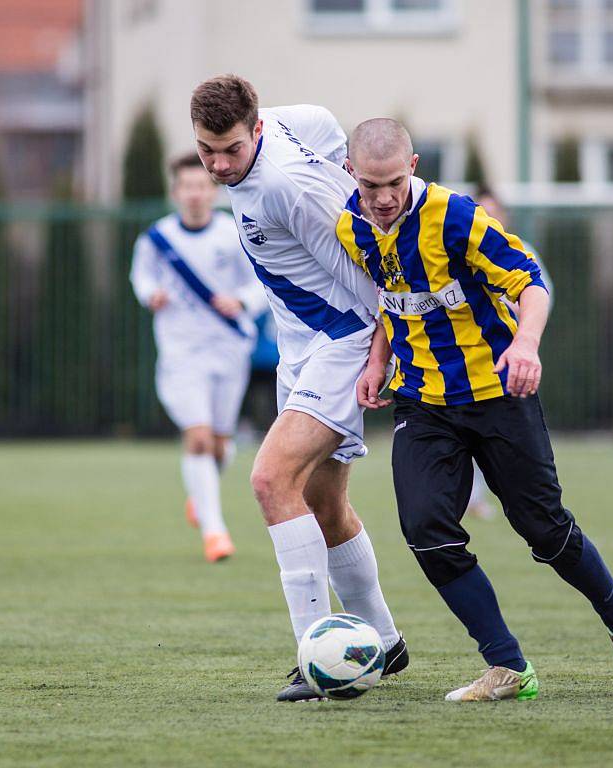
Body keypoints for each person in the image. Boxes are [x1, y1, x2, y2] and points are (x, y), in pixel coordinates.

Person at [338, 118, 613, 702]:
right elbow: (390, 299)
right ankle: (508, 667)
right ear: (350, 175)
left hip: (498, 394)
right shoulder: (351, 226)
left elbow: (531, 283)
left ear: (412, 168)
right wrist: (375, 361)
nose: (382, 199)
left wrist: (527, 344)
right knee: (427, 532)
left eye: (392, 183)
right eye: (369, 185)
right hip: (423, 402)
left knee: (546, 531)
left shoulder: (456, 216)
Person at [189, 75, 407, 701]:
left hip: (342, 342)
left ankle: (317, 656)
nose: (219, 163)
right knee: (324, 503)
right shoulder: (283, 119)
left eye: (231, 149)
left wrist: (378, 357)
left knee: (268, 480)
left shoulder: (290, 189)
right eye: (208, 150)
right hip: (299, 344)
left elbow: (370, 277)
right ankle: (385, 643)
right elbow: (326, 125)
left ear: (256, 130)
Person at [131, 153, 267, 563]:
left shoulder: (232, 234)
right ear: (175, 193)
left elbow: (262, 283)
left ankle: (201, 499)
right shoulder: (156, 239)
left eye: (201, 186)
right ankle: (215, 531)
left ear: (213, 190)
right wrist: (149, 294)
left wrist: (240, 301)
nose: (195, 194)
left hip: (228, 349)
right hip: (181, 351)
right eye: (186, 187)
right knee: (199, 437)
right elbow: (141, 277)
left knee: (222, 446)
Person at [466, 184, 555, 520]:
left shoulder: (519, 252)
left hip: (508, 359)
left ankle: (525, 498)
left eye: (493, 211)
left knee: (511, 437)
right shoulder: (457, 248)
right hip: (466, 363)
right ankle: (470, 498)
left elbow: (541, 294)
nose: (487, 218)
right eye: (480, 211)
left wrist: (525, 336)